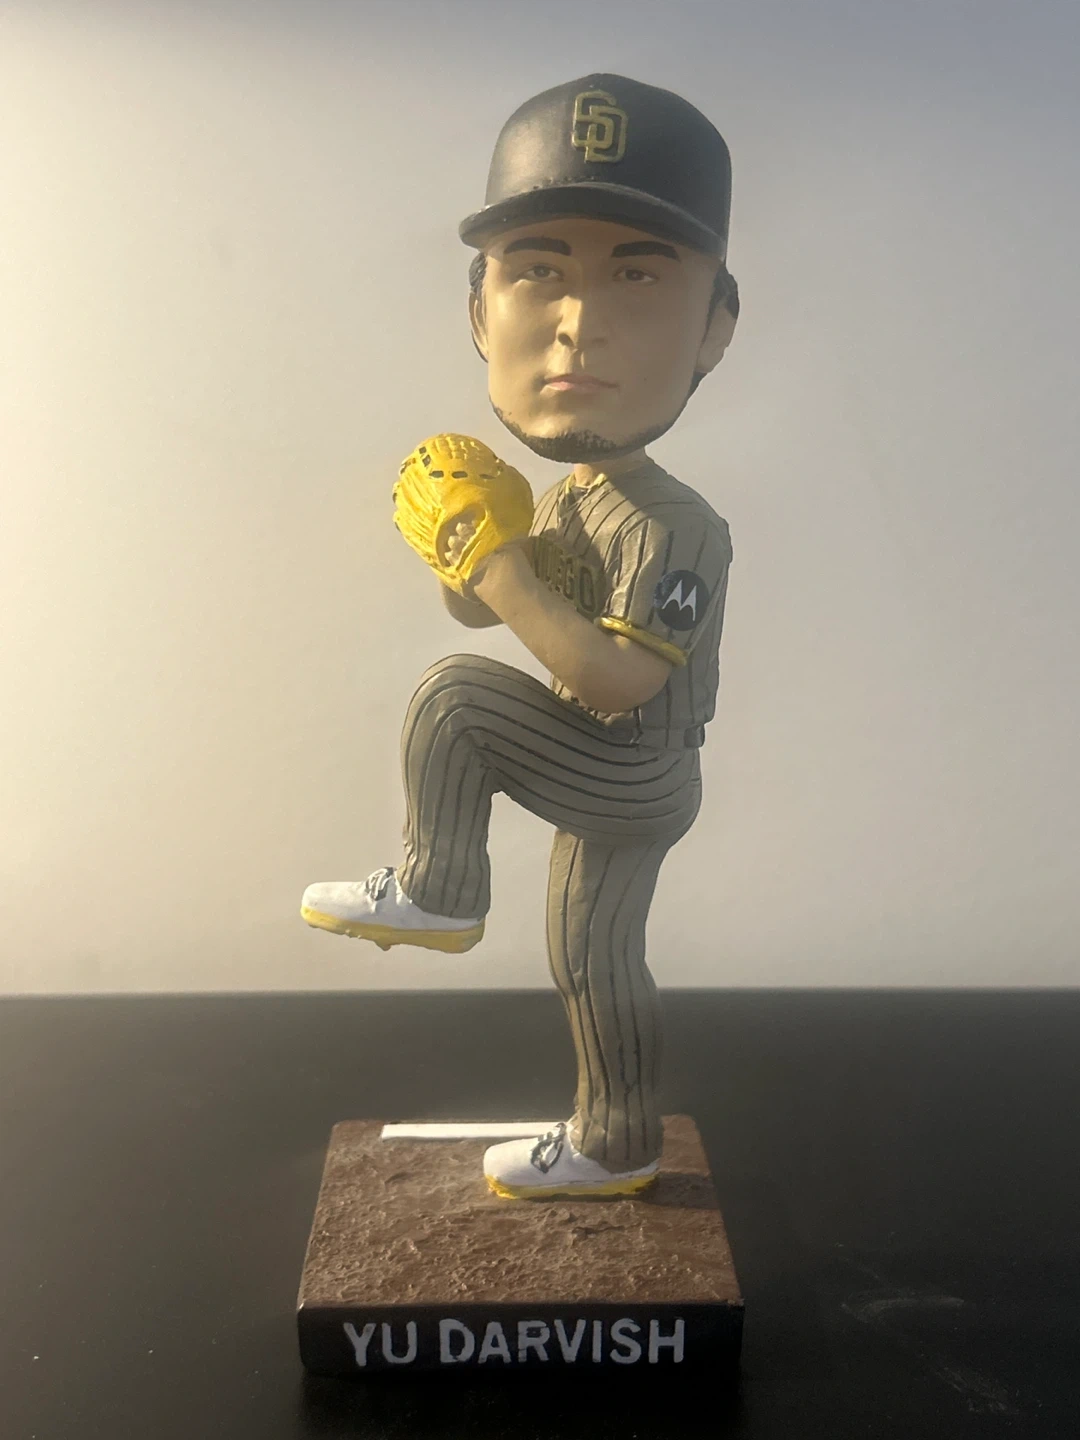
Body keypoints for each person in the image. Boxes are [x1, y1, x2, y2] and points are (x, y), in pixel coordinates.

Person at [301, 74, 740, 1199]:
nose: (579, 321)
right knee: (592, 959)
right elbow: (490, 605)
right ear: (479, 311)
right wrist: (463, 548)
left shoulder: (676, 524)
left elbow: (612, 675)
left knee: (456, 699)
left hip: (639, 765)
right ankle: (616, 1140)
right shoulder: (571, 495)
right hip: (605, 757)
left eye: (637, 275)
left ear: (715, 326)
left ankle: (442, 888)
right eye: (539, 270)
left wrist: (494, 563)